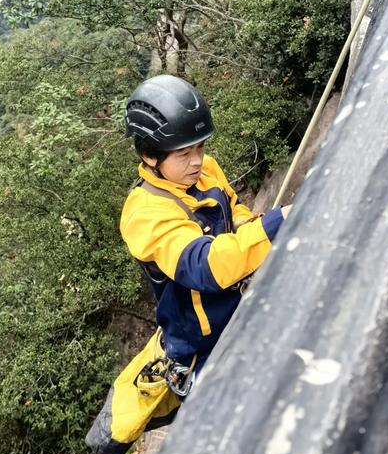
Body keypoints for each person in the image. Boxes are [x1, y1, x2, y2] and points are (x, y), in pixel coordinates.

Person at [121, 75, 287, 377]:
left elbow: (232, 207)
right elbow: (204, 266)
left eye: (200, 147)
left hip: (243, 307)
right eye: (184, 154)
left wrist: (247, 224)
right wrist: (276, 225)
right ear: (149, 155)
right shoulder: (144, 214)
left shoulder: (205, 170)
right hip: (206, 347)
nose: (197, 161)